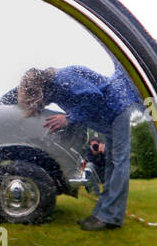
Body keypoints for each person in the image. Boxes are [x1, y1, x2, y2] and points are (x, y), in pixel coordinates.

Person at [17, 64, 142, 231]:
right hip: (110, 118)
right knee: (112, 165)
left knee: (119, 163)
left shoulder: (63, 78)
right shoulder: (57, 88)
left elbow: (93, 96)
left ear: (39, 87)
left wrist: (69, 118)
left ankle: (109, 216)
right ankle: (105, 215)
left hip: (117, 108)